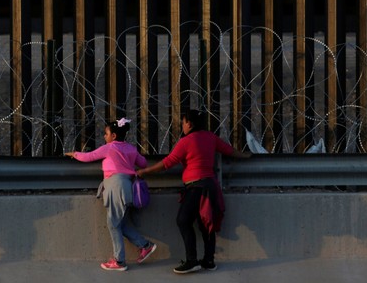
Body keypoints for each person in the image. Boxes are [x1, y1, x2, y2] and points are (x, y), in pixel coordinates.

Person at [137, 109, 251, 274]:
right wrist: (246, 156)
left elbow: (167, 163)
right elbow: (229, 150)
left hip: (195, 187)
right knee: (207, 224)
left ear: (189, 123)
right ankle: (209, 261)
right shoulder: (210, 137)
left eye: (183, 122)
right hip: (211, 186)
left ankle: (192, 261)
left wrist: (144, 172)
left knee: (183, 220)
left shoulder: (186, 141)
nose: (182, 126)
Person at [65, 118, 157, 271]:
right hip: (128, 188)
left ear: (113, 136)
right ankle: (145, 246)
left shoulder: (109, 148)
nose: (104, 136)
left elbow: (89, 157)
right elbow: (143, 163)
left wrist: (74, 154)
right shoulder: (131, 149)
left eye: (106, 133)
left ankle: (119, 261)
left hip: (115, 187)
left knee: (112, 224)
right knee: (120, 223)